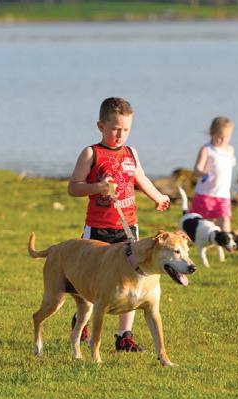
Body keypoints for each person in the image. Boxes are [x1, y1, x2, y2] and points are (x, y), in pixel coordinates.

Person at [67, 97, 170, 352]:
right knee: (93, 278)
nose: (120, 135)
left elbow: (141, 178)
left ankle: (125, 336)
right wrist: (97, 187)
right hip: (97, 229)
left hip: (127, 228)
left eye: (126, 129)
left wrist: (157, 197)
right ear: (100, 126)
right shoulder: (91, 153)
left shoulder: (130, 153)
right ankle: (82, 320)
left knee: (133, 276)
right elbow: (74, 187)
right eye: (115, 129)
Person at [190, 116, 236, 233]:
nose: (223, 140)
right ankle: (207, 240)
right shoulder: (207, 149)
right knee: (206, 224)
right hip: (206, 194)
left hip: (223, 194)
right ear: (212, 134)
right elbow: (196, 169)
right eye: (219, 137)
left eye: (226, 137)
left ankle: (227, 241)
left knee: (225, 221)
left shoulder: (230, 150)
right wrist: (204, 174)